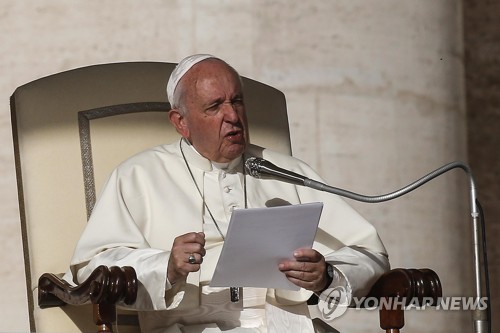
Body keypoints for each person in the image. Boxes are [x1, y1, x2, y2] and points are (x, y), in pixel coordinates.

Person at [63, 54, 390, 333]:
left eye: (236, 101)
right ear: (181, 122)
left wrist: (327, 274)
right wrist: (166, 267)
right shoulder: (138, 175)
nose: (232, 117)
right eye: (214, 106)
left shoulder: (285, 171)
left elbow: (369, 253)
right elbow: (92, 267)